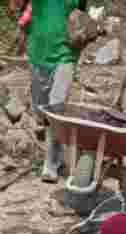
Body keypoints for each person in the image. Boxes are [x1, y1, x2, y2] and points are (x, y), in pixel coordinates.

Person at [11, 0, 82, 182]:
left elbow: (82, 16)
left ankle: (50, 164)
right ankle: (58, 154)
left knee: (56, 108)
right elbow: (16, 7)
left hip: (66, 55)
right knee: (41, 112)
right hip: (38, 54)